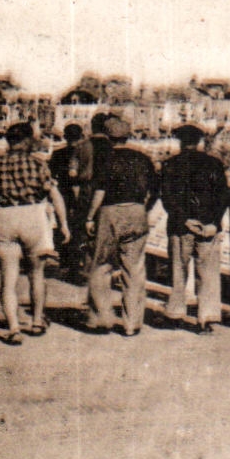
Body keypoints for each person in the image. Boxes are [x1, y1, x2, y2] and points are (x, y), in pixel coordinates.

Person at [0, 121, 71, 343]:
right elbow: (55, 195)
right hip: (33, 217)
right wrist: (64, 224)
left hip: (4, 217)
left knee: (8, 278)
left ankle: (13, 328)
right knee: (36, 273)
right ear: (28, 141)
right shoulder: (38, 165)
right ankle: (37, 321)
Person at [83, 115, 157, 336]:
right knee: (134, 269)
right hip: (137, 211)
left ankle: (102, 318)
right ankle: (131, 323)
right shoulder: (143, 159)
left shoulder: (106, 158)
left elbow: (100, 191)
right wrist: (145, 208)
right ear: (128, 135)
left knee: (101, 265)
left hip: (110, 212)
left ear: (107, 136)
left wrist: (89, 217)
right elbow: (155, 189)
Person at [158, 124, 230, 333]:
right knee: (208, 272)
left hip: (181, 226)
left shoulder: (170, 164)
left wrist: (184, 220)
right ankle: (206, 319)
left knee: (178, 269)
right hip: (208, 225)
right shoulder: (214, 164)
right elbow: (223, 196)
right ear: (199, 142)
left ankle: (175, 314)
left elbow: (167, 197)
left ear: (180, 142)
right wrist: (214, 223)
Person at [48, 123, 93, 273]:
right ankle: (80, 258)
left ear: (65, 137)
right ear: (81, 135)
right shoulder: (86, 151)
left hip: (63, 193)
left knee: (64, 224)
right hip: (83, 193)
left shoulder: (58, 153)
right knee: (80, 226)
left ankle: (65, 258)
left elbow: (51, 176)